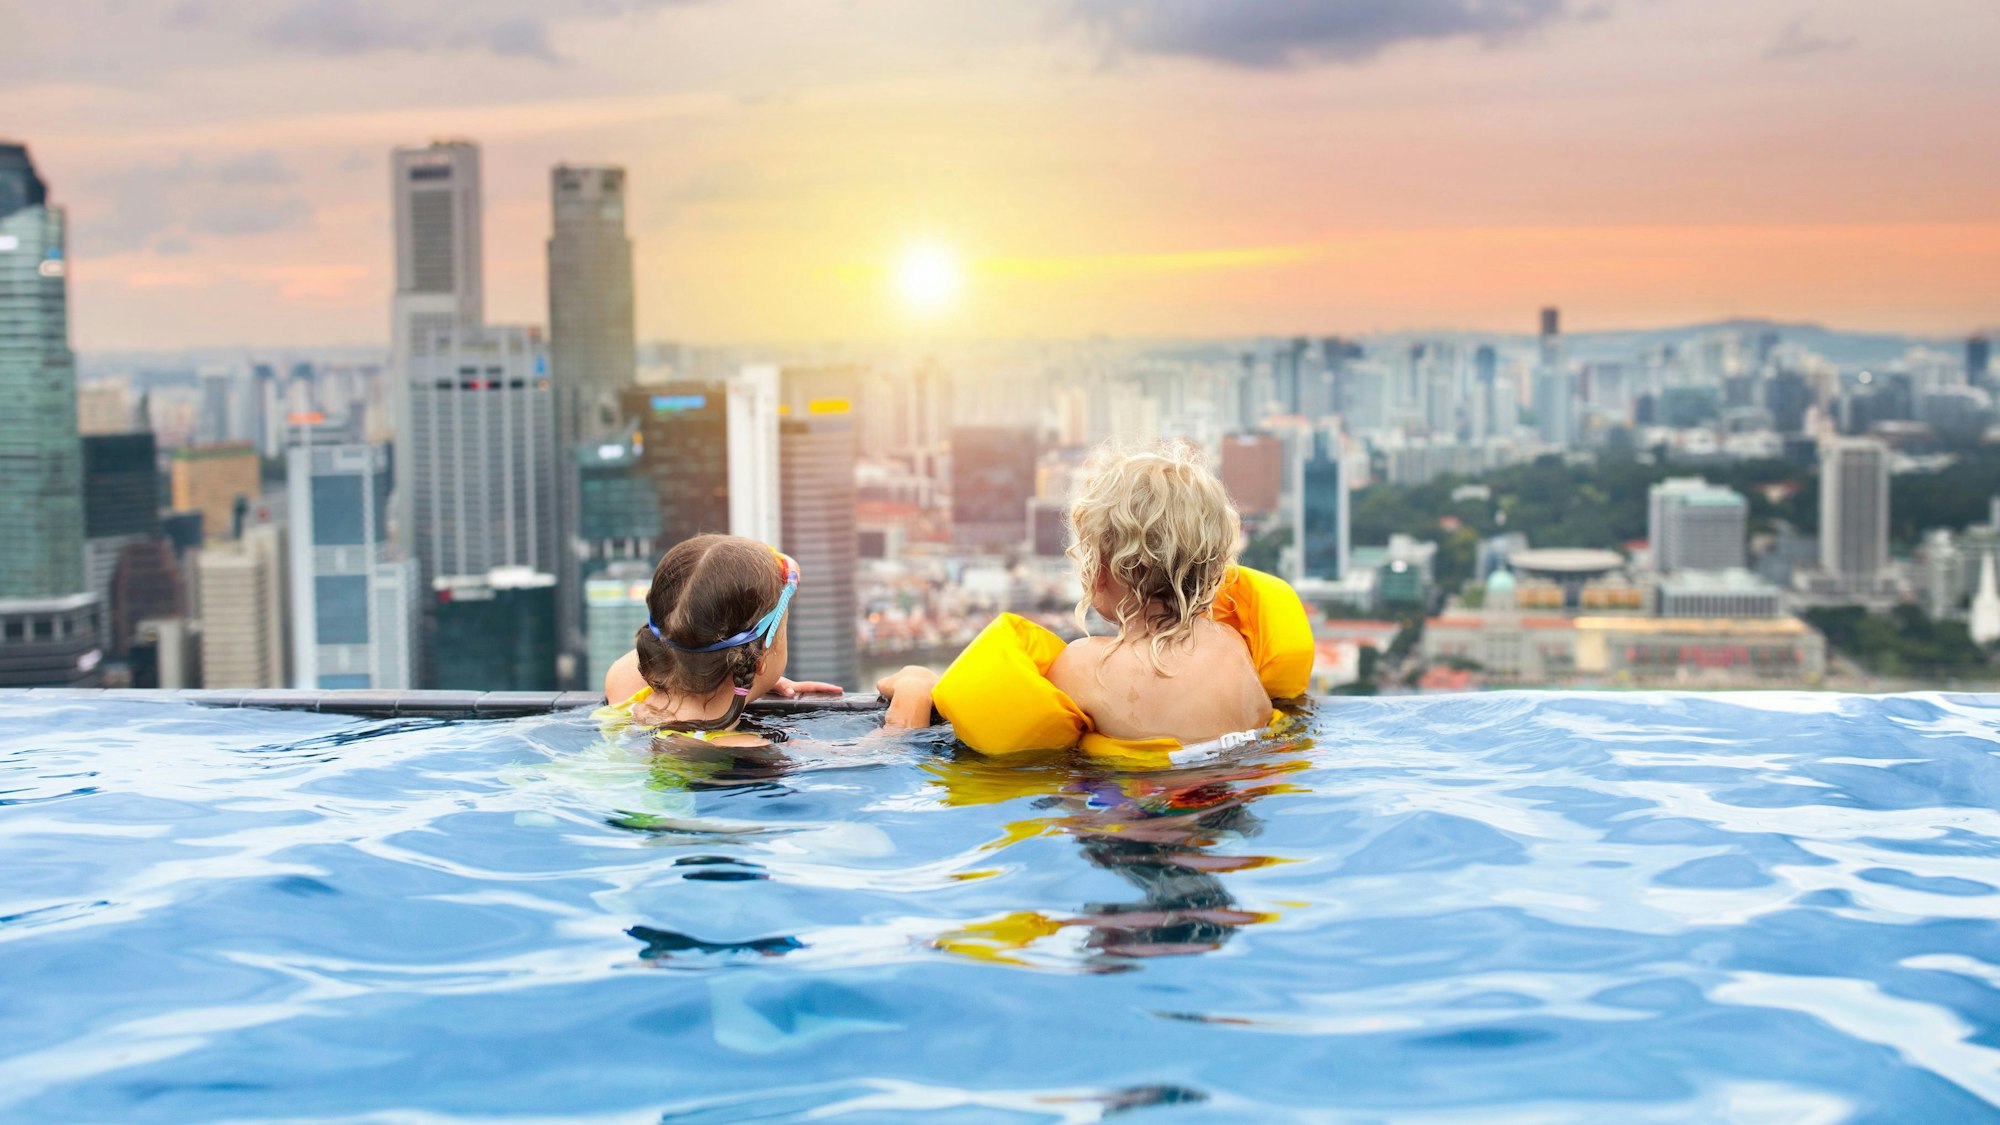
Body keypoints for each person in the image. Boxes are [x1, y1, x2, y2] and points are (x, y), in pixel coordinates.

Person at [880, 441, 1298, 759]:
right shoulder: (1233, 645)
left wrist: (917, 691)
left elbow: (903, 749)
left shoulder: (1084, 666)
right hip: (1233, 805)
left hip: (1135, 826)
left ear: (1102, 567)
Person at [602, 534, 842, 748]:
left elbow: (679, 635)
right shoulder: (743, 748)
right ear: (760, 658)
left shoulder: (622, 682)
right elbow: (856, 755)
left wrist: (742, 670)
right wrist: (882, 725)